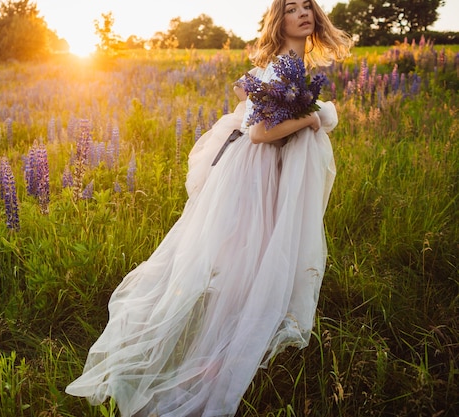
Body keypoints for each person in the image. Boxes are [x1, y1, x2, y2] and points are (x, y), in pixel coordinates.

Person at [66, 0, 353, 415]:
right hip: (254, 177)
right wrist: (310, 120)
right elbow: (259, 132)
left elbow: (246, 93)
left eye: (307, 5)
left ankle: (218, 361)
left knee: (252, 271)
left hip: (265, 176)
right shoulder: (280, 66)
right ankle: (214, 366)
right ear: (281, 20)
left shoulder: (289, 63)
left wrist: (295, 108)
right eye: (292, 8)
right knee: (250, 274)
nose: (303, 12)